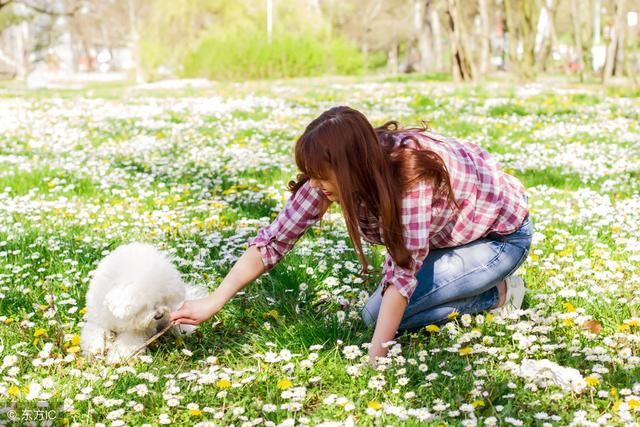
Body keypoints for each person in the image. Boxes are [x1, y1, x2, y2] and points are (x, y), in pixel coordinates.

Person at [170, 106, 533, 366]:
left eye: (322, 176)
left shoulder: (409, 181)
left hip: (498, 240)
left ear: (351, 169)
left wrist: (378, 356)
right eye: (310, 174)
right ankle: (477, 287)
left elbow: (402, 274)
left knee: (378, 320)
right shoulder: (331, 176)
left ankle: (498, 293)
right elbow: (273, 242)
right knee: (377, 316)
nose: (315, 185)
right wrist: (213, 301)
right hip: (448, 241)